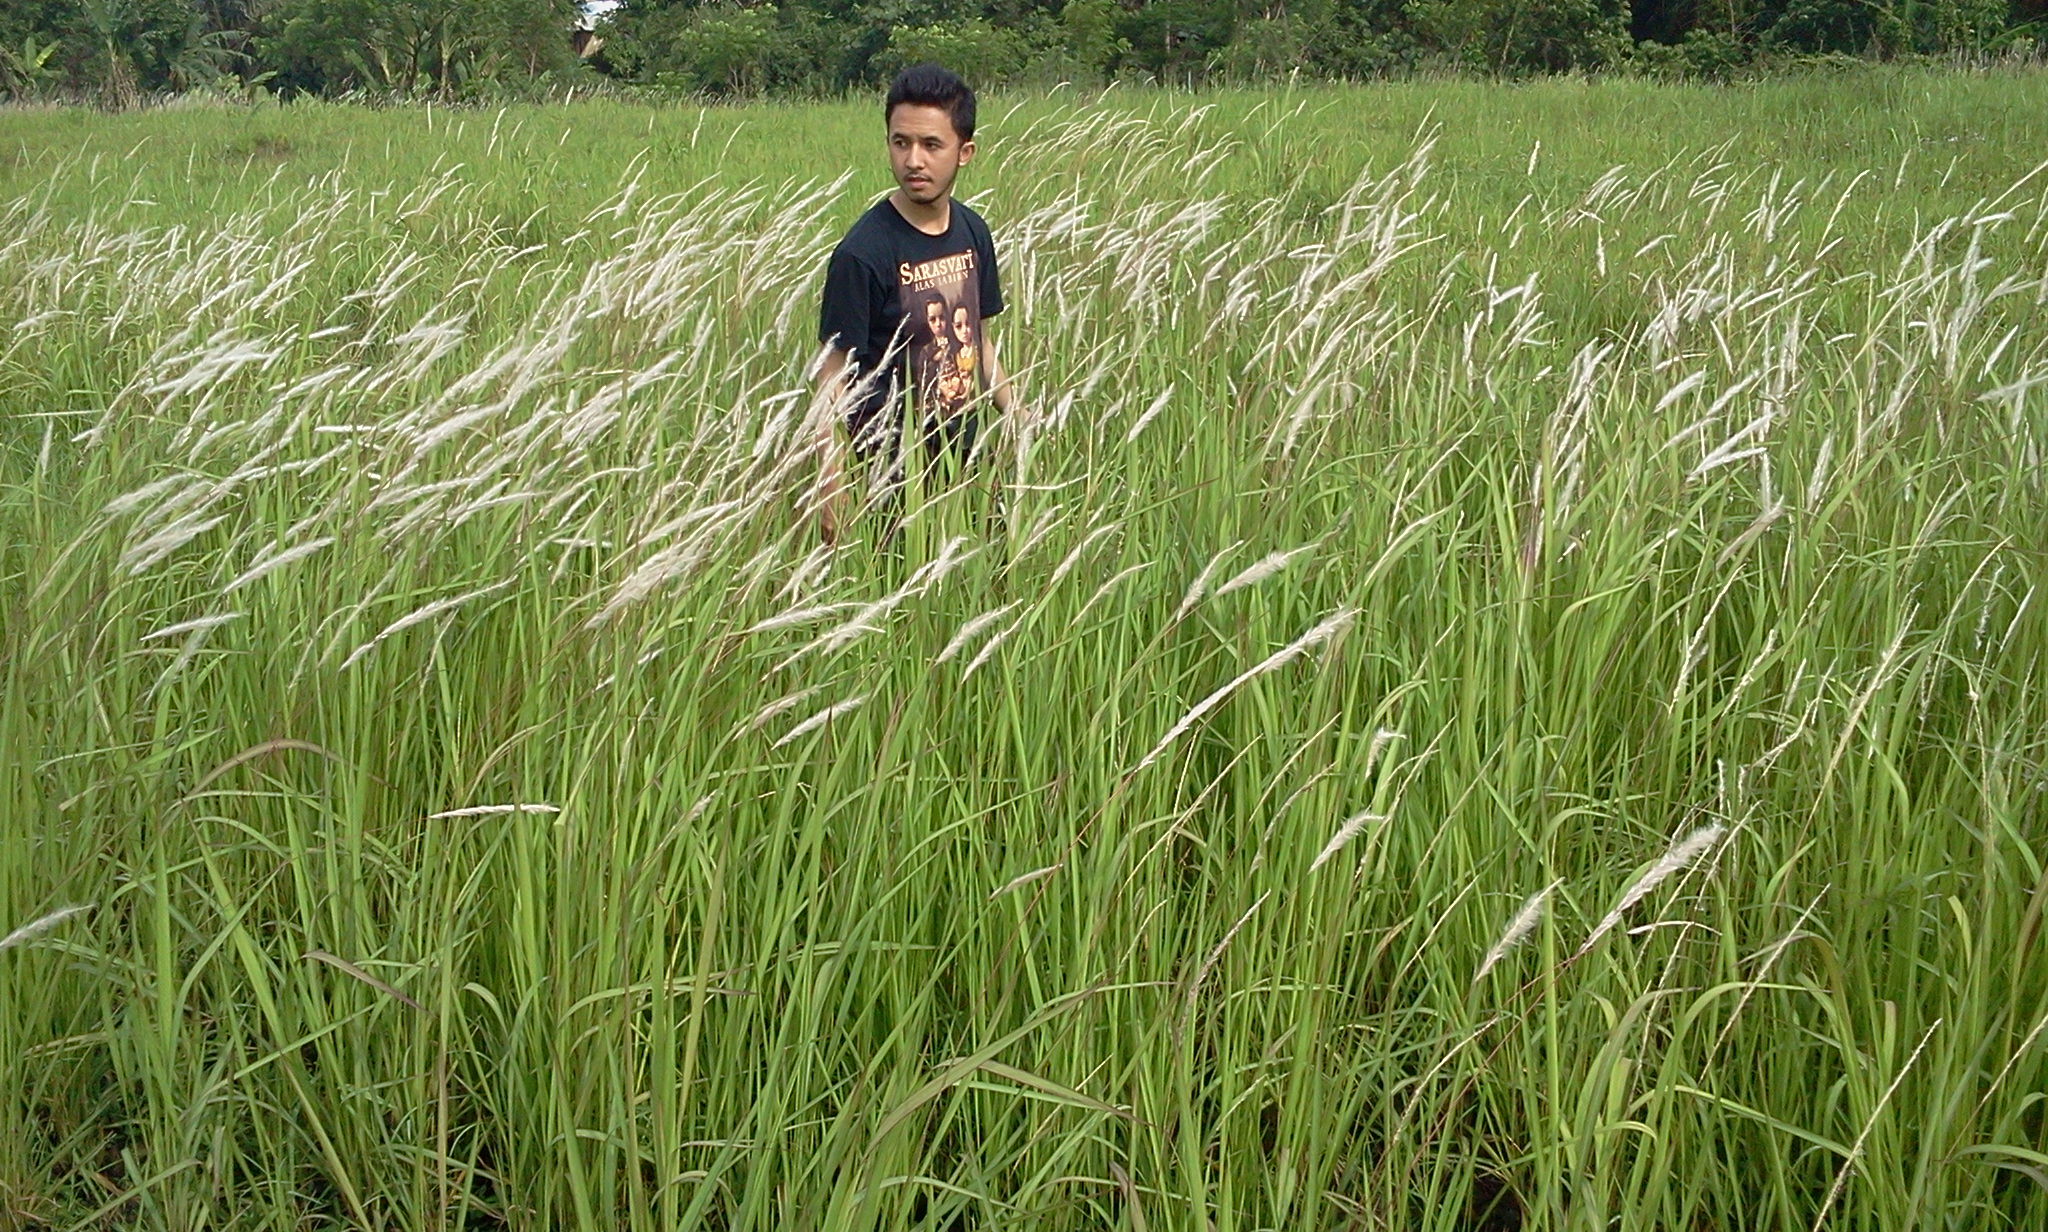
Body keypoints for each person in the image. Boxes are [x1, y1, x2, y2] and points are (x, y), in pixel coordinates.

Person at [811, 63, 1018, 544]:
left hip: (965, 453)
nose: (913, 161)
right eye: (900, 142)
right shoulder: (863, 253)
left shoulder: (973, 232)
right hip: (890, 471)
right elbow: (831, 373)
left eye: (931, 145)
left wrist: (1016, 412)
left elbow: (978, 339)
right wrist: (830, 481)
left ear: (965, 152)